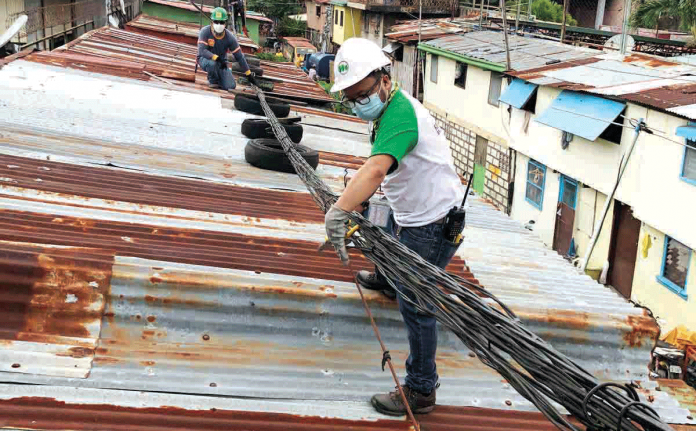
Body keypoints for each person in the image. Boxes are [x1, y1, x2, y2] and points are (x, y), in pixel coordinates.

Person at [324, 38, 464, 416]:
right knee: (386, 234)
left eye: (362, 94)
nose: (358, 104)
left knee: (417, 304)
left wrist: (338, 211)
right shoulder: (389, 110)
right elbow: (381, 170)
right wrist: (359, 197)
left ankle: (421, 389)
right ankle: (389, 278)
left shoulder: (401, 115)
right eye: (351, 99)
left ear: (383, 79)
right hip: (414, 212)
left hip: (432, 222)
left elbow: (375, 168)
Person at [197, 7, 255, 91]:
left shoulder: (229, 37)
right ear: (212, 22)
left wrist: (248, 74)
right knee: (212, 64)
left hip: (221, 62)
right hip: (205, 59)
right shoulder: (205, 32)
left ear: (225, 23)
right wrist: (216, 57)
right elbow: (202, 51)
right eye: (216, 22)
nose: (219, 24)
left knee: (230, 86)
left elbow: (239, 56)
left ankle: (220, 78)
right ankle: (212, 80)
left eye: (221, 22)